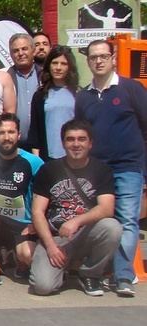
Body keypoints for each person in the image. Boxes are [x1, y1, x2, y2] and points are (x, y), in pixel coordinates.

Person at [75, 39, 147, 296]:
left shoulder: (131, 89)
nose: (99, 60)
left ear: (113, 57)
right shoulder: (83, 96)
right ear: (88, 61)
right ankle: (102, 271)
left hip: (128, 166)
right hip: (97, 169)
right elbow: (80, 135)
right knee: (103, 220)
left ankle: (123, 276)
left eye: (103, 56)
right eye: (93, 57)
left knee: (127, 221)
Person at [29, 119, 122, 296]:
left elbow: (106, 208)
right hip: (56, 237)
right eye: (70, 139)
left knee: (112, 227)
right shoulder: (49, 169)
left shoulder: (102, 170)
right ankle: (62, 271)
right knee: (43, 287)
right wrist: (50, 246)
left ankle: (89, 274)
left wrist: (76, 221)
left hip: (86, 234)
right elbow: (37, 212)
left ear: (90, 143)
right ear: (63, 143)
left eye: (82, 139)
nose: (76, 144)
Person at [0, 113, 44, 280]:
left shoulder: (33, 162)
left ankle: (17, 257)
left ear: (19, 135)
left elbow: (44, 197)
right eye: (1, 133)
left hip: (23, 224)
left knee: (27, 255)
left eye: (11, 132)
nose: (6, 137)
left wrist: (37, 222)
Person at [28, 46, 79, 161]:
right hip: (48, 157)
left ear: (70, 67)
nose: (58, 68)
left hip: (74, 156)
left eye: (63, 64)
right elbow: (35, 132)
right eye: (54, 63)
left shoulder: (78, 94)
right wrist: (37, 161)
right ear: (49, 65)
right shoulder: (40, 95)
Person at [7, 33, 42, 149]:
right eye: (16, 51)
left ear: (33, 50)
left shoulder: (45, 76)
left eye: (24, 49)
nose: (20, 53)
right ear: (11, 55)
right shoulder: (5, 78)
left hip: (41, 144)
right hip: (14, 145)